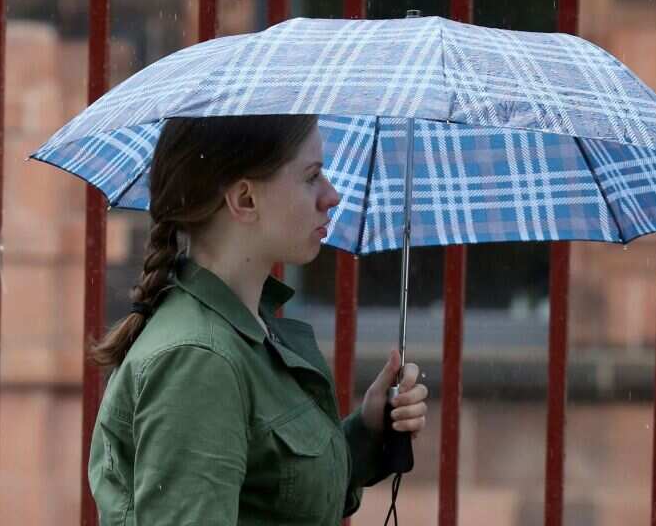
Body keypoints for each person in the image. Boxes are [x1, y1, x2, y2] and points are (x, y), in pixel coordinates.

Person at [87, 114, 429, 525]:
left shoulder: (249, 332)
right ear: (245, 199)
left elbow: (273, 499)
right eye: (311, 176)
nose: (332, 196)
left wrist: (368, 430)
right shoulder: (199, 360)